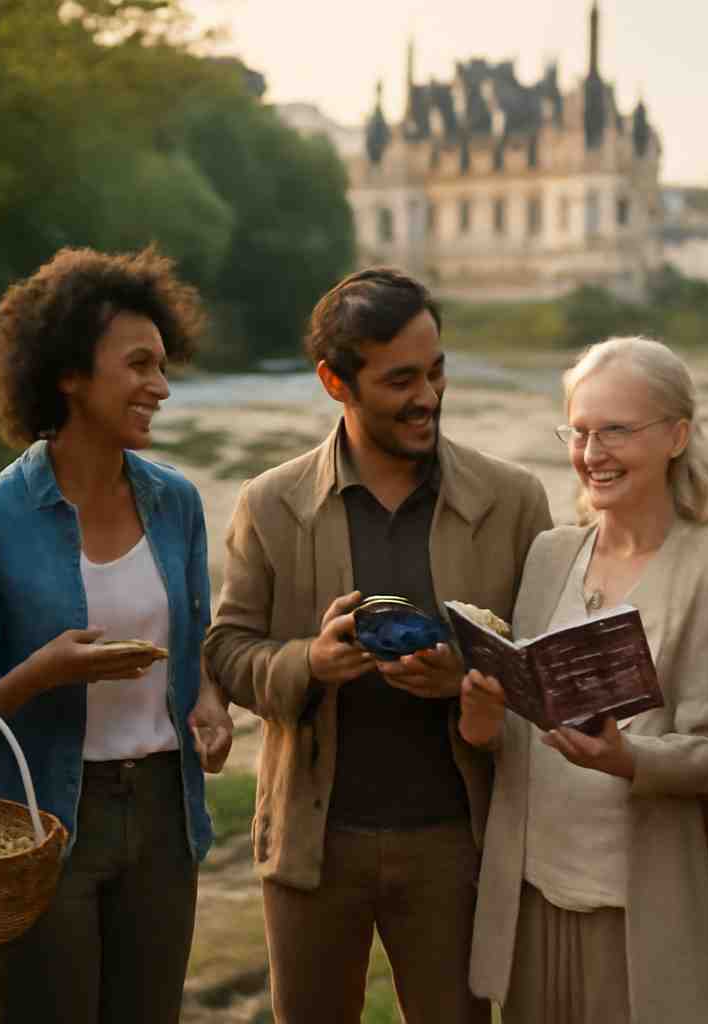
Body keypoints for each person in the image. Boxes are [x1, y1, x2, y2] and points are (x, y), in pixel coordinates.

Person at [203, 267, 552, 1023]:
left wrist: (466, 678)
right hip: (312, 845)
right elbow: (228, 650)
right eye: (400, 380)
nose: (427, 396)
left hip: (459, 844)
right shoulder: (270, 503)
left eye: (436, 371)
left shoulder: (515, 500)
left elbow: (545, 666)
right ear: (336, 381)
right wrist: (309, 662)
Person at [0, 246, 233, 1024]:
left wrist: (210, 703)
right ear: (66, 373)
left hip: (166, 811)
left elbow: (188, 640)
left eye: (164, 365)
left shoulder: (179, 505)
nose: (160, 387)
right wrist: (40, 674)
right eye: (138, 365)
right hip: (37, 821)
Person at [459, 337, 708, 1023]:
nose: (593, 453)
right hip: (530, 899)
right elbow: (517, 741)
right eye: (580, 431)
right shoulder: (550, 553)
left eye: (616, 430)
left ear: (678, 435)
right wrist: (482, 716)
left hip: (640, 907)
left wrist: (629, 759)